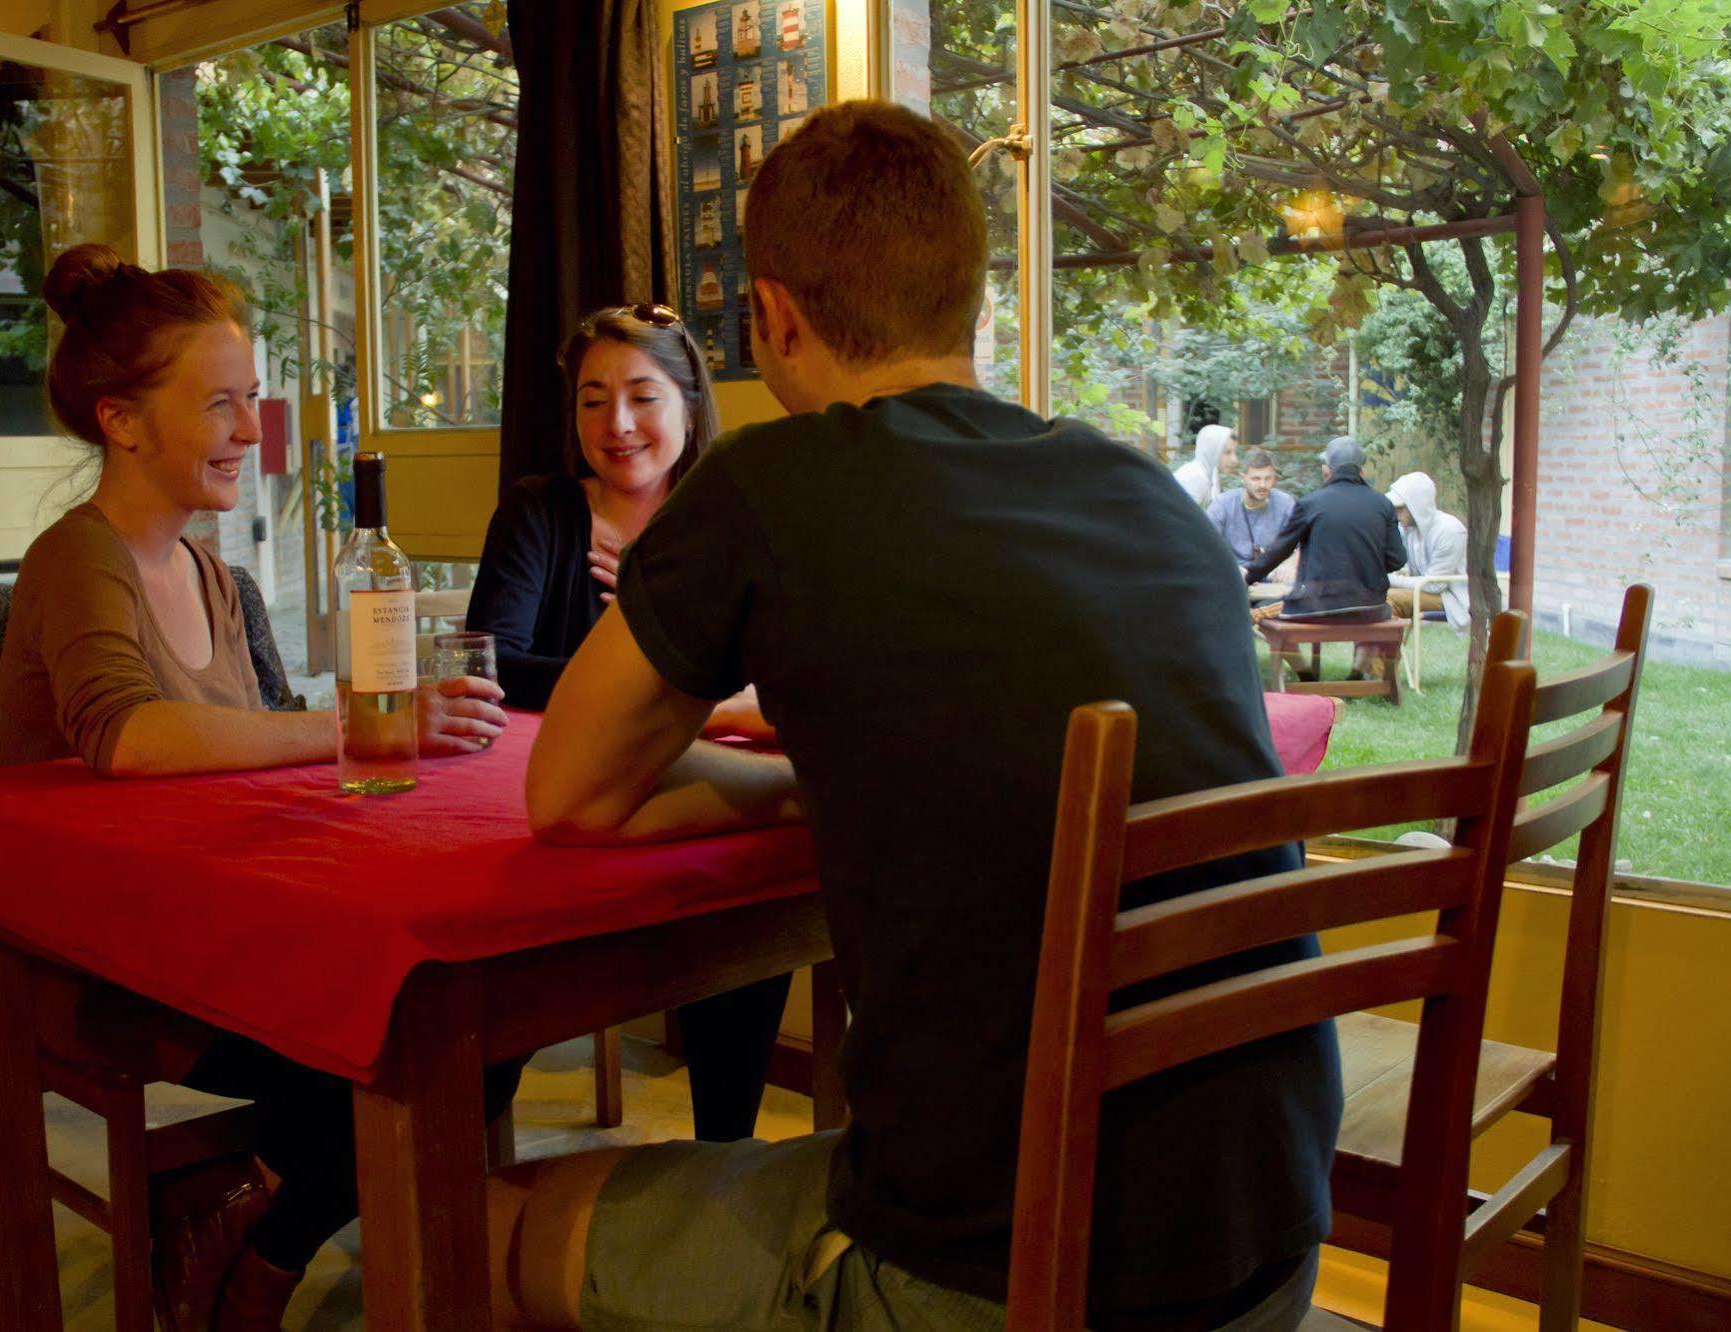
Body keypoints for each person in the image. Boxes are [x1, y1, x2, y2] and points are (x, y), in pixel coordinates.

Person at [491, 102, 1340, 1331]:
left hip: (1007, 1280)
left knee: (502, 1216)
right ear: (973, 307)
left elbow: (565, 795)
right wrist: (821, 770)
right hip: (1267, 1244)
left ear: (774, 316)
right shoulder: (1141, 489)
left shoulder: (773, 483)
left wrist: (785, 784)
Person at [0, 244, 515, 1332]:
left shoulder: (214, 575)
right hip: (110, 959)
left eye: (254, 402)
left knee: (482, 1013)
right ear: (122, 421)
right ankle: (255, 1246)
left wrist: (391, 731)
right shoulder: (78, 558)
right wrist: (364, 724)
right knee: (420, 1031)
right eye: (222, 404)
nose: (250, 431)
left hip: (207, 920)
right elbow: (127, 738)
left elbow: (260, 742)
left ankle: (250, 1221)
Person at [466, 303, 789, 1143]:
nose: (617, 424)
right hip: (550, 793)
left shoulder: (726, 525)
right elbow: (491, 662)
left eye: (643, 396)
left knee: (743, 890)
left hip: (700, 787)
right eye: (591, 399)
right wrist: (645, 664)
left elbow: (778, 669)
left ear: (688, 405)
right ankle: (459, 1146)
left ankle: (729, 1150)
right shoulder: (541, 513)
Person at [1244, 435, 1408, 679]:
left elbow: (1281, 550)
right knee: (1380, 612)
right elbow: (1397, 559)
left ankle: (1305, 674)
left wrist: (1249, 575)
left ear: (1326, 470)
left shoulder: (1311, 503)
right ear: (1362, 470)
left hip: (1316, 607)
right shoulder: (1382, 504)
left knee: (1264, 617)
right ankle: (1356, 675)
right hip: (1370, 607)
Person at [1385, 470, 1471, 631]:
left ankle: (1382, 655)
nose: (1395, 514)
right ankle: (1378, 653)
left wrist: (1388, 580)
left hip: (1452, 599)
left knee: (1388, 599)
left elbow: (1435, 585)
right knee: (1373, 595)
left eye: (1400, 509)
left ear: (1416, 506)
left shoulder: (1449, 530)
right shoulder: (1410, 530)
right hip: (1427, 591)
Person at [1206, 447, 1296, 572]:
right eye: (1256, 479)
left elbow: (1304, 544)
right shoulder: (1223, 504)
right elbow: (1205, 546)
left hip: (1273, 575)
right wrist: (1230, 570)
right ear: (1243, 478)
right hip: (1234, 574)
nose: (1263, 485)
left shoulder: (1285, 503)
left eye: (1268, 478)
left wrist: (1290, 564)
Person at [1171, 420, 1236, 507]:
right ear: (1212, 451)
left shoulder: (1208, 474)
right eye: (1227, 452)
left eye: (1234, 452)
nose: (1234, 460)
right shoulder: (1196, 477)